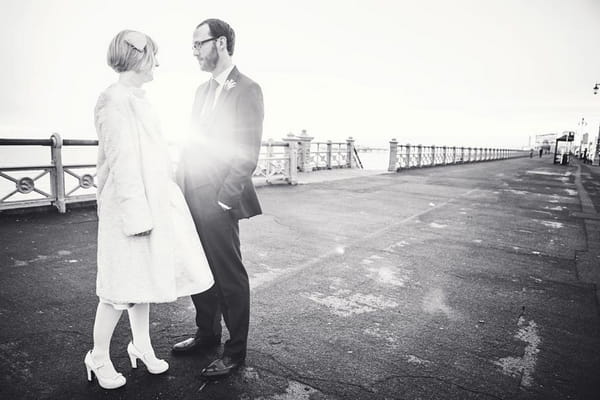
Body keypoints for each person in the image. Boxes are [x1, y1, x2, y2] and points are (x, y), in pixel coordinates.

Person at [85, 30, 214, 390]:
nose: (157, 62)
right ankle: (97, 355)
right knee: (116, 290)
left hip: (149, 205)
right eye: (153, 55)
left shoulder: (137, 99)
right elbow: (122, 164)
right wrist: (137, 216)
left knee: (142, 283)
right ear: (136, 57)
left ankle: (140, 345)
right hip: (128, 210)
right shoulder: (113, 101)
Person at [173, 18, 264, 379]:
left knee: (228, 276)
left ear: (221, 43)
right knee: (200, 269)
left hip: (220, 199)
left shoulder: (247, 89)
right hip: (191, 194)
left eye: (199, 43)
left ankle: (235, 352)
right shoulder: (200, 91)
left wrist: (224, 200)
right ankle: (207, 334)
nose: (194, 51)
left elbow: (246, 150)